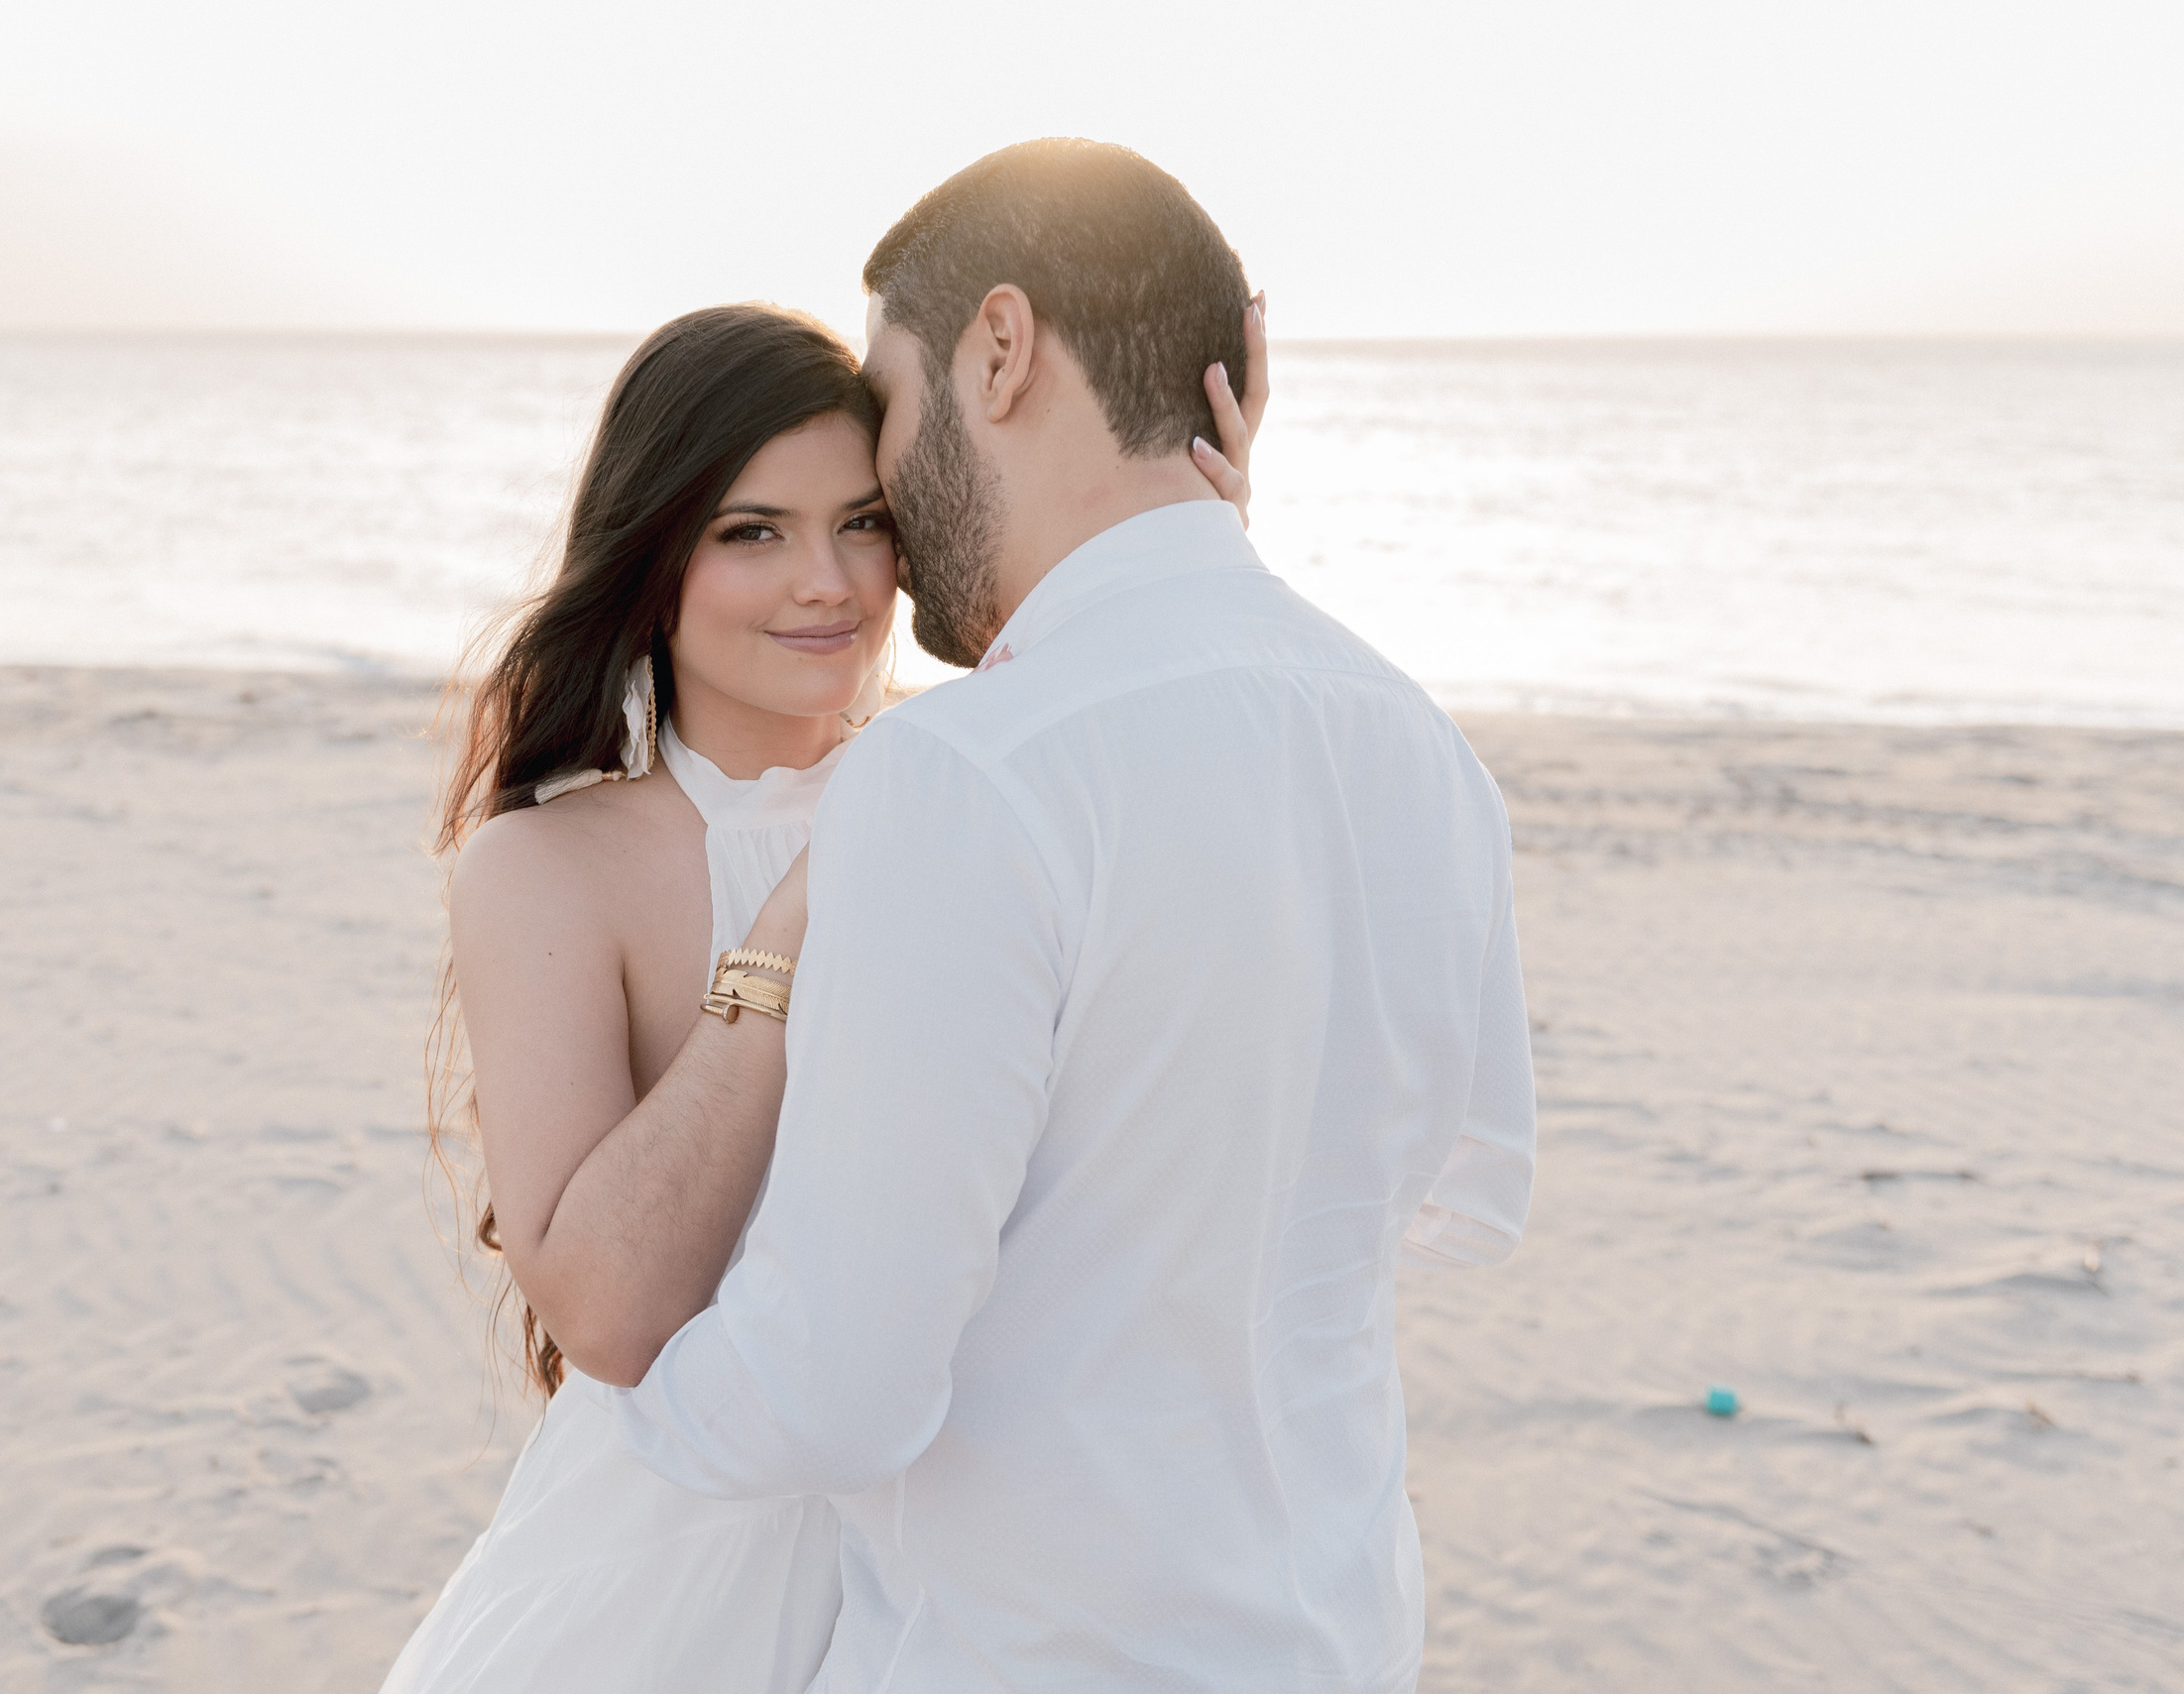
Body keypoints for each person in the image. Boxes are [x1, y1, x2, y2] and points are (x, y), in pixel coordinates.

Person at [605, 140, 1539, 1691]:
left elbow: (839, 1385)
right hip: (1333, 1641)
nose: (887, 502)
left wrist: (630, 1412)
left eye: (893, 408)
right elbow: (1451, 1196)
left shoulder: (967, 774)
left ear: (1000, 347)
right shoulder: (1418, 747)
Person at [381, 298, 1260, 1691]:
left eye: (865, 521)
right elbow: (607, 1309)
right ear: (655, 554)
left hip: (978, 1560)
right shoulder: (546, 867)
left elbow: (1172, 731)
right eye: (753, 531)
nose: (831, 582)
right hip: (672, 1572)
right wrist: (794, 921)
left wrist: (1203, 539)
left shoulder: (988, 783)